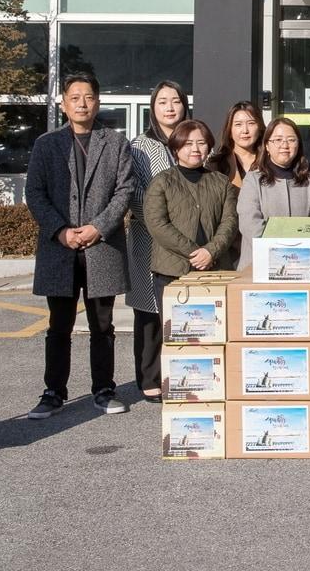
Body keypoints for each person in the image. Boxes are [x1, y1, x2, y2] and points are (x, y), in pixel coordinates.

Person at [24, 72, 134, 419]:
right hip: (60, 248)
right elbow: (35, 194)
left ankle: (104, 388)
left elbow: (125, 190)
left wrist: (98, 227)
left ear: (97, 102)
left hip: (101, 246)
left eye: (88, 97)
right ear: (63, 103)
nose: (82, 103)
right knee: (59, 324)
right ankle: (53, 391)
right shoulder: (47, 144)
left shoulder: (115, 142)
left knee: (103, 324)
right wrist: (60, 231)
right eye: (75, 97)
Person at [142, 119, 239, 399]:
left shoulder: (220, 182)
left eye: (201, 142)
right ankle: (180, 389)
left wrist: (211, 250)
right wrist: (192, 251)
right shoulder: (162, 182)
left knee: (212, 332)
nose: (195, 149)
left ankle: (211, 387)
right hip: (172, 271)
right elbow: (157, 224)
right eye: (188, 143)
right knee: (178, 336)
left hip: (213, 270)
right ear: (176, 148)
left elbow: (229, 222)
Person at [126, 80, 187, 401]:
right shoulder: (139, 146)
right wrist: (164, 224)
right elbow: (135, 194)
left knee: (183, 311)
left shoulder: (193, 140)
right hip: (149, 239)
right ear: (153, 108)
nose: (169, 108)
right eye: (162, 102)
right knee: (149, 311)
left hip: (188, 243)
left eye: (175, 101)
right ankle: (149, 377)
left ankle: (182, 374)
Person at [237, 117, 310, 264]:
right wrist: (281, 253)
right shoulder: (253, 180)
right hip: (259, 264)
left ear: (299, 145)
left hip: (301, 263)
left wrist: (297, 253)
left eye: (291, 140)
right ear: (266, 146)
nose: (285, 145)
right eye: (277, 140)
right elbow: (249, 223)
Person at [206, 100, 264, 189]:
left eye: (251, 123)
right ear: (229, 130)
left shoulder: (269, 162)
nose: (245, 130)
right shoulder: (216, 165)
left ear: (259, 128)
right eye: (238, 124)